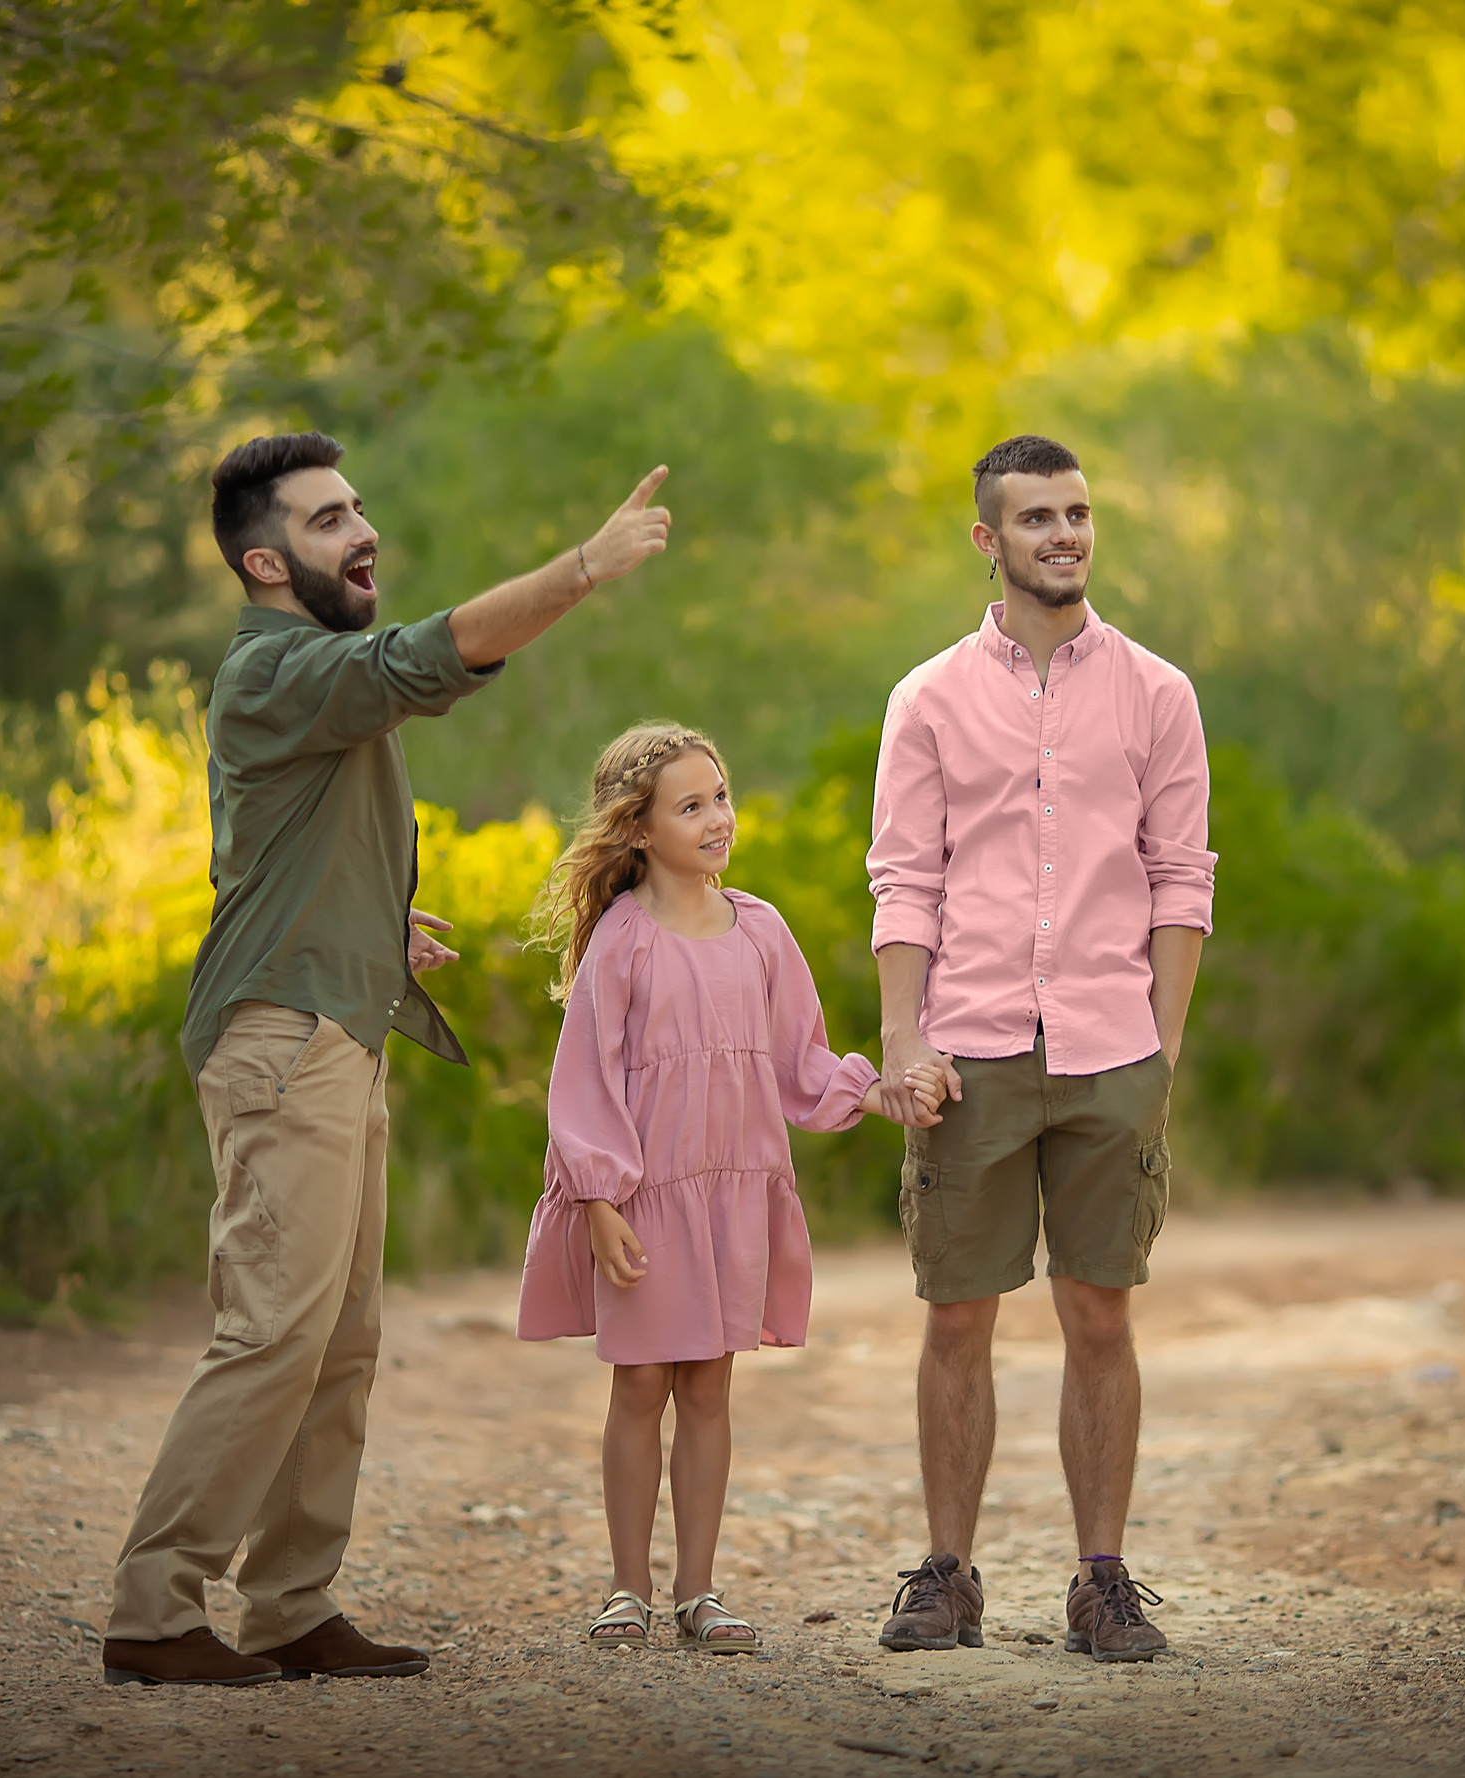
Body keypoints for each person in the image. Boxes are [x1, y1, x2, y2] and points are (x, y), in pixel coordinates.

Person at [102, 432, 673, 1688]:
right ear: (264, 559)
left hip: (337, 1027)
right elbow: (427, 659)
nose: (360, 530)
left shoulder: (302, 679)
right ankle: (154, 1608)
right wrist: (584, 565)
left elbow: (257, 846)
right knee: (270, 1332)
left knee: (339, 1340)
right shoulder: (276, 669)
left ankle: (292, 1599)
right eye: (324, 521)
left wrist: (372, 916)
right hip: (282, 1041)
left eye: (357, 508)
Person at [866, 435, 1215, 1663]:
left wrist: (1160, 1048)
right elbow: (905, 883)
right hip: (968, 1050)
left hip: (1115, 1049)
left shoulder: (1160, 693)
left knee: (1100, 1316)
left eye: (1076, 513)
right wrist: (905, 1043)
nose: (1063, 534)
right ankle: (947, 1573)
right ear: (988, 539)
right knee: (958, 1316)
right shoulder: (929, 698)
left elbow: (1182, 880)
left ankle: (1100, 1579)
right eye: (1035, 518)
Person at [515, 723, 948, 1652]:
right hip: (645, 1199)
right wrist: (596, 1198)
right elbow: (585, 1077)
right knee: (641, 1387)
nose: (719, 819)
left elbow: (799, 1060)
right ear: (638, 829)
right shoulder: (623, 942)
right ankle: (625, 1591)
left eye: (721, 797)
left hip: (733, 1196)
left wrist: (875, 1094)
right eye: (692, 805)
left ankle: (697, 1593)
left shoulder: (761, 930)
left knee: (709, 1387)